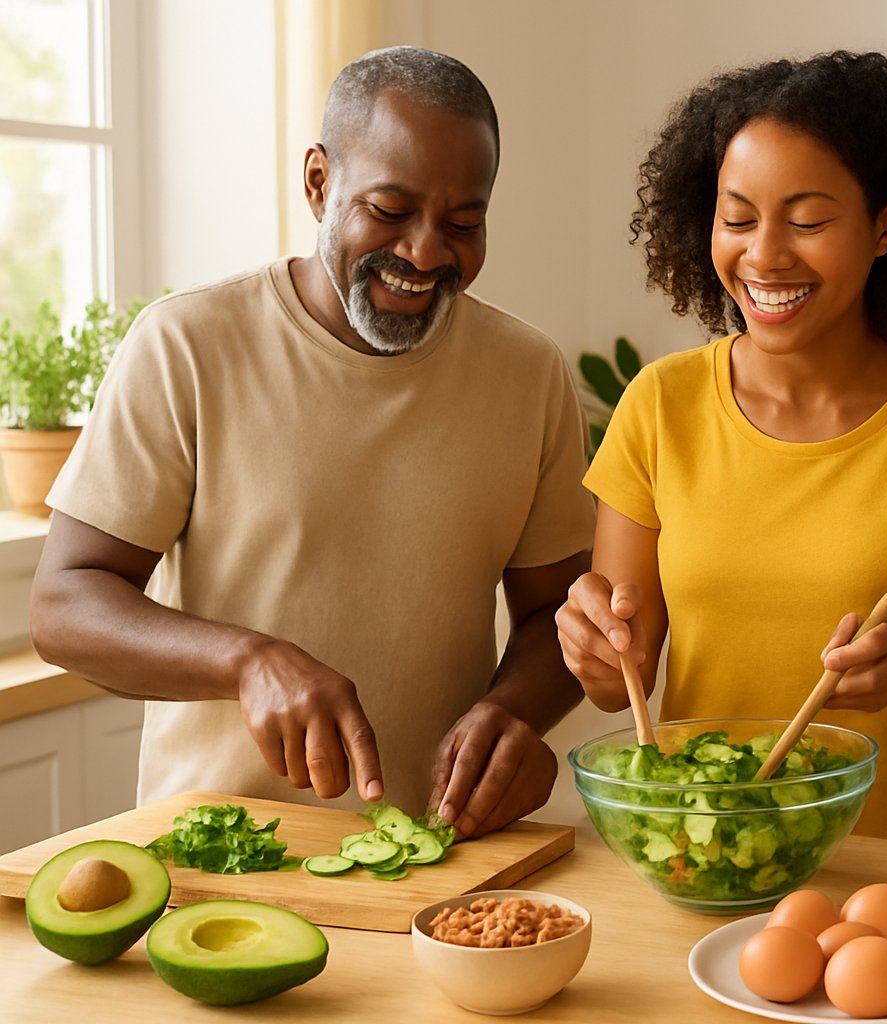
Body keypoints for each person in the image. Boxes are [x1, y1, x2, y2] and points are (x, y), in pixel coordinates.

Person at [29, 46, 596, 838]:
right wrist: (247, 660)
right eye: (390, 211)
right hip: (215, 856)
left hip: (435, 860)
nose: (427, 252)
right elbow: (63, 606)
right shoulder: (186, 346)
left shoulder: (529, 373)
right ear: (319, 182)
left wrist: (511, 713)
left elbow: (557, 616)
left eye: (463, 223)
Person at [555, 51, 887, 845]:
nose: (765, 255)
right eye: (738, 218)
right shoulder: (660, 404)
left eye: (806, 221)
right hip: (709, 861)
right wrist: (594, 646)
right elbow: (620, 680)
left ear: (886, 225)